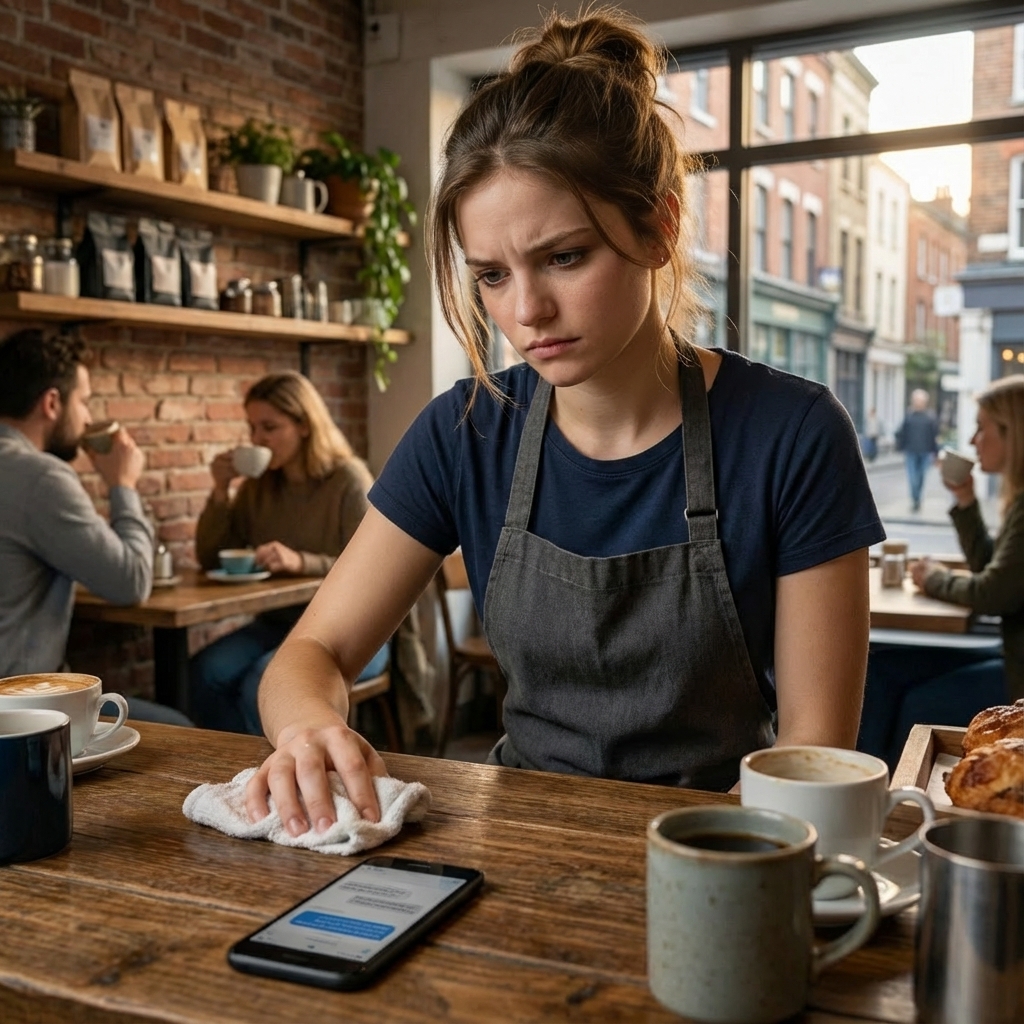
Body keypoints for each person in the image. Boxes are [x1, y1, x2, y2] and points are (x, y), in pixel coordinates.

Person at [242, 8, 885, 833]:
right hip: (519, 842)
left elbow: (811, 753)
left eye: (564, 257)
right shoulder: (466, 433)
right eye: (492, 276)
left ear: (661, 226)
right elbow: (311, 654)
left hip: (729, 848)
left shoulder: (793, 434)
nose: (527, 311)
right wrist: (308, 726)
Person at [0, 328, 190, 726]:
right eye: (84, 401)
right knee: (181, 729)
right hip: (21, 712)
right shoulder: (40, 477)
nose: (87, 417)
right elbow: (131, 581)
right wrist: (123, 484)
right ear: (52, 402)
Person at [190, 371, 389, 734]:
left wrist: (302, 562)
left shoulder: (347, 480)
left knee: (263, 683)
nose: (256, 440)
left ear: (304, 425)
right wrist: (220, 491)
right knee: (204, 673)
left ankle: (281, 779)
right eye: (252, 429)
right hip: (278, 624)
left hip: (353, 631)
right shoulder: (258, 487)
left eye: (269, 427)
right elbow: (211, 557)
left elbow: (375, 571)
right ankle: (243, 771)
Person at [859, 376, 1023, 769]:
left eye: (982, 428)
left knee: (918, 703)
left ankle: (896, 805)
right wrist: (965, 500)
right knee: (878, 667)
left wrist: (933, 579)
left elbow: (993, 593)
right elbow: (995, 571)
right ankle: (863, 782)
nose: (972, 441)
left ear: (1013, 434)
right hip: (1011, 656)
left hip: (1018, 676)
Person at [895, 389, 938, 512]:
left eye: (921, 401)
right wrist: (900, 447)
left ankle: (917, 498)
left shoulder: (930, 417)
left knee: (921, 477)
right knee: (913, 477)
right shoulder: (909, 416)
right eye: (917, 400)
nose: (919, 403)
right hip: (911, 451)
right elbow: (902, 432)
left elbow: (934, 435)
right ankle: (915, 499)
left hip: (925, 451)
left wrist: (935, 452)